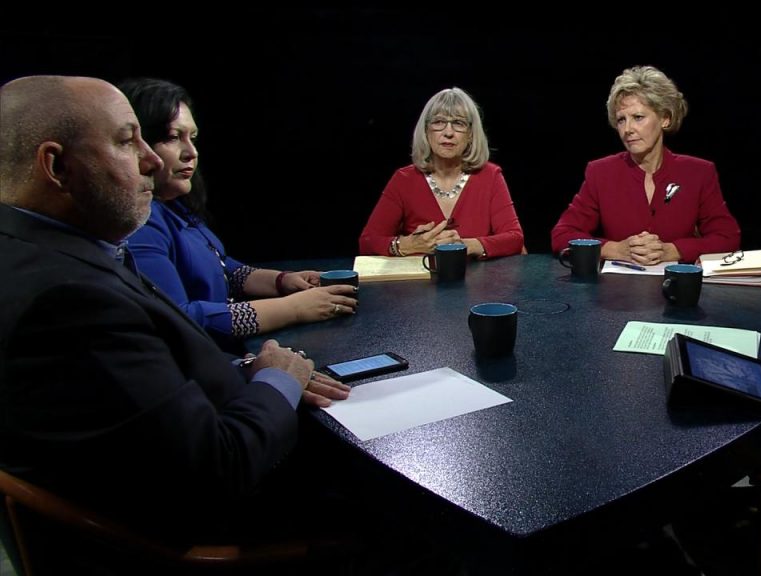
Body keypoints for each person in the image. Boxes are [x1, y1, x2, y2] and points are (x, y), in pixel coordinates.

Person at [0, 75, 351, 555]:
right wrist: (278, 379)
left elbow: (149, 373)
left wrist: (242, 368)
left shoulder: (51, 251)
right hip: (228, 531)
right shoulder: (69, 299)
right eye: (129, 141)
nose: (151, 160)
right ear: (57, 166)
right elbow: (221, 467)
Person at [119, 78, 357, 351]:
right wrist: (292, 309)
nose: (191, 153)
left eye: (192, 138)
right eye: (173, 138)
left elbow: (223, 268)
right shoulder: (140, 224)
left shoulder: (174, 206)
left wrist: (282, 281)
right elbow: (180, 319)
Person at [550, 65, 740, 265]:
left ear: (665, 119)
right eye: (621, 120)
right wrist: (615, 249)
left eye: (638, 118)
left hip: (676, 288)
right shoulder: (601, 172)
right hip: (615, 290)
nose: (628, 129)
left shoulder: (698, 173)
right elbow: (562, 234)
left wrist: (672, 250)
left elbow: (728, 237)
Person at [359, 87, 525, 259]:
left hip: (480, 283)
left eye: (458, 124)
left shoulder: (490, 176)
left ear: (470, 134)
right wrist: (406, 245)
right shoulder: (404, 180)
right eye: (438, 122)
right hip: (421, 284)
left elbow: (515, 238)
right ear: (426, 131)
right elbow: (368, 242)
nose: (448, 133)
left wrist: (467, 245)